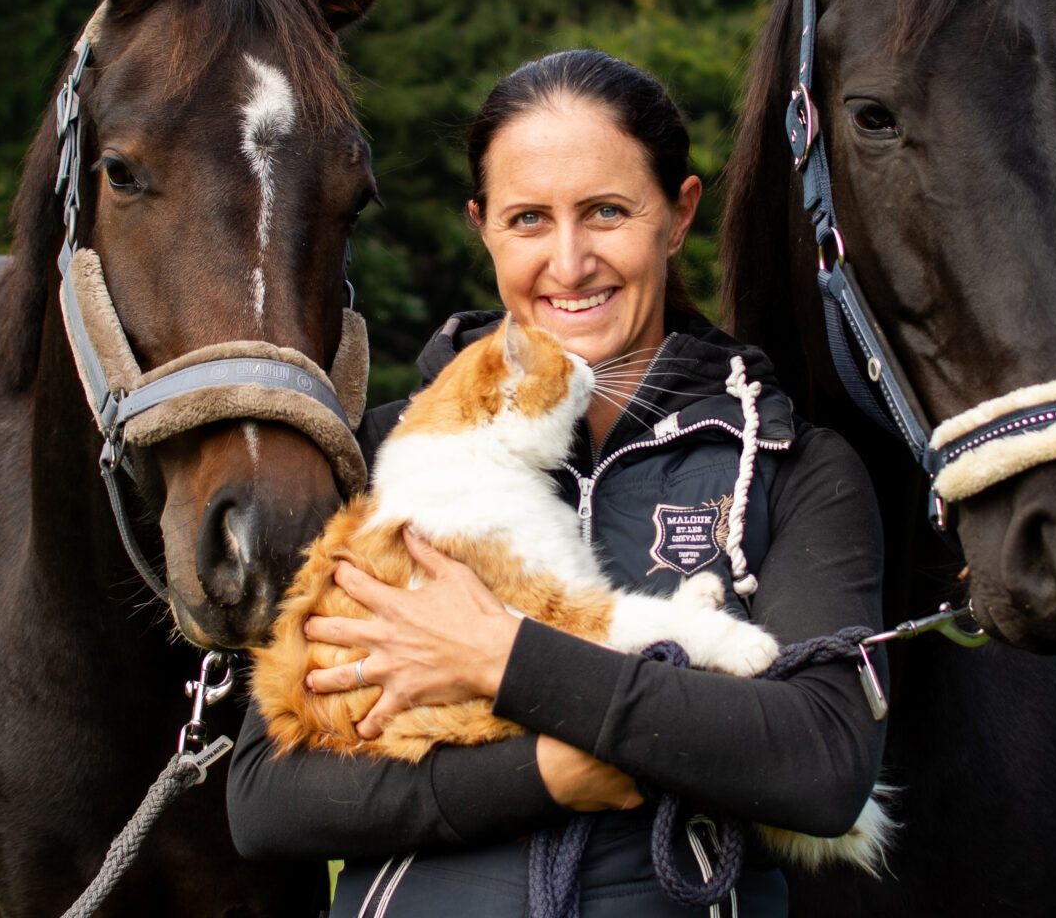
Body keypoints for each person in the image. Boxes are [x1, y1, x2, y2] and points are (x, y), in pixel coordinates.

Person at [226, 50, 887, 918]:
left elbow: (822, 767)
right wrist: (542, 773)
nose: (569, 263)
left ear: (678, 215)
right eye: (529, 219)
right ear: (484, 228)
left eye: (607, 212)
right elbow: (265, 802)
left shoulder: (791, 464)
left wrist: (502, 659)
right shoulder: (382, 453)